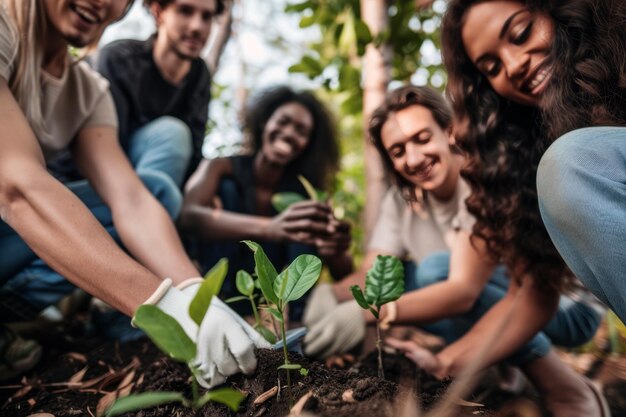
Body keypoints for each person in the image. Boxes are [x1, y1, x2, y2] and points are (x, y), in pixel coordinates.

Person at [0, 0, 266, 386]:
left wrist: (194, 296)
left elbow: (133, 200)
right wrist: (160, 306)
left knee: (155, 190)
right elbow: (15, 186)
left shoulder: (88, 92)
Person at [302, 85, 607, 416]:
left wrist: (367, 312)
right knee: (410, 278)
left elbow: (462, 291)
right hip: (501, 303)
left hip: (563, 305)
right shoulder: (401, 201)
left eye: (422, 138)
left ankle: (561, 384)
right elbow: (371, 274)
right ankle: (499, 368)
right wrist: (331, 295)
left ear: (448, 131)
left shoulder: (480, 180)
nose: (414, 158)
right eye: (398, 150)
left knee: (432, 271)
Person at [179, 86, 353, 320]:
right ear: (264, 123)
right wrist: (270, 228)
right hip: (223, 283)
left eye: (301, 131)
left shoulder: (306, 192)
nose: (290, 133)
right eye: (283, 122)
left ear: (308, 145)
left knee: (306, 216)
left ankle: (294, 325)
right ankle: (219, 310)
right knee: (227, 191)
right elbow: (188, 216)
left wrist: (337, 250)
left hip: (269, 295)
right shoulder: (222, 167)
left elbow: (343, 272)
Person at [49, 0, 228, 192]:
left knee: (223, 189)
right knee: (171, 135)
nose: (197, 27)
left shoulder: (199, 75)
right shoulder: (118, 60)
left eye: (207, 17)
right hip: (78, 182)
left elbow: (194, 153)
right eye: (185, 11)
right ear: (158, 12)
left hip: (135, 187)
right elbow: (102, 151)